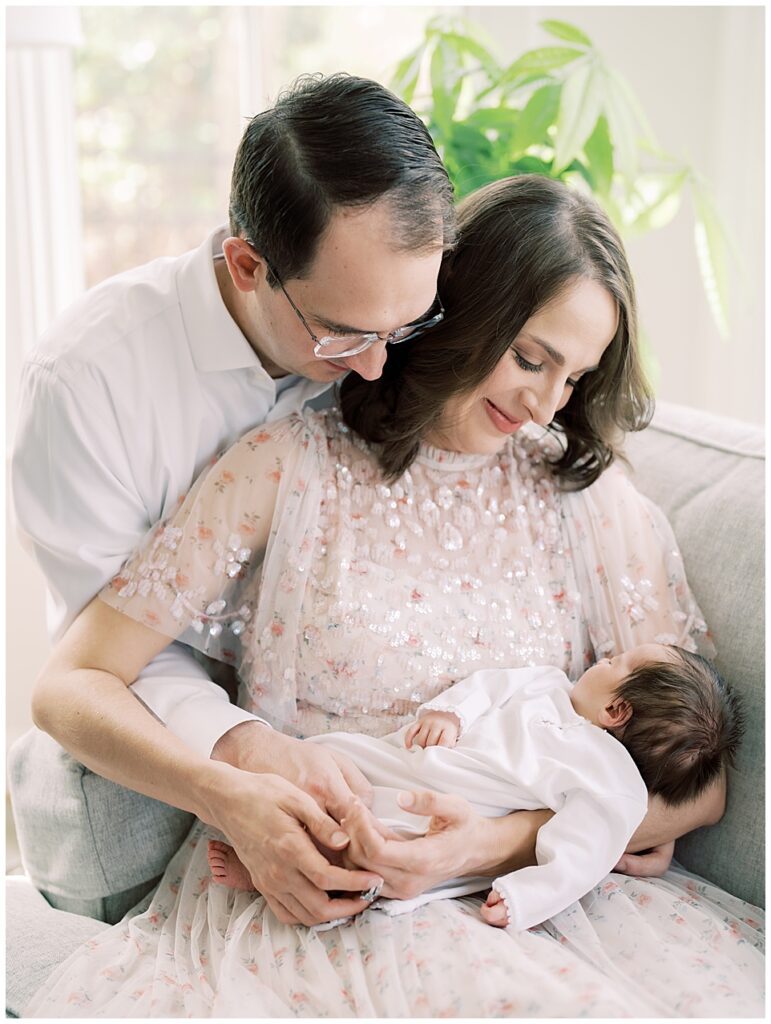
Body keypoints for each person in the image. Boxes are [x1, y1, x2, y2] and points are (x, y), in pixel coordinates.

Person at [23, 175, 762, 1017]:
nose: (544, 403)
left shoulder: (584, 501)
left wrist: (490, 846)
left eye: (574, 377)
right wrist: (222, 791)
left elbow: (698, 784)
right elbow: (69, 687)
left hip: (523, 903)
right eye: (529, 357)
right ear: (460, 306)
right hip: (316, 902)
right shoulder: (285, 467)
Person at [9, 72, 458, 925]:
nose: (375, 369)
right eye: (344, 333)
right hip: (151, 729)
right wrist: (242, 761)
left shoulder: (382, 332)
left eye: (405, 327)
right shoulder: (86, 382)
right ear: (246, 264)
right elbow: (106, 657)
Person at [206, 642, 743, 936]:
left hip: (461, 810)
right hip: (413, 762)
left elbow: (582, 854)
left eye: (615, 664)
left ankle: (266, 873)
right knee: (333, 759)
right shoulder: (547, 683)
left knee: (377, 856)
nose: (603, 658)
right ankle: (261, 811)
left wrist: (524, 897)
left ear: (616, 709)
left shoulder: (612, 782)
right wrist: (451, 714)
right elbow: (489, 685)